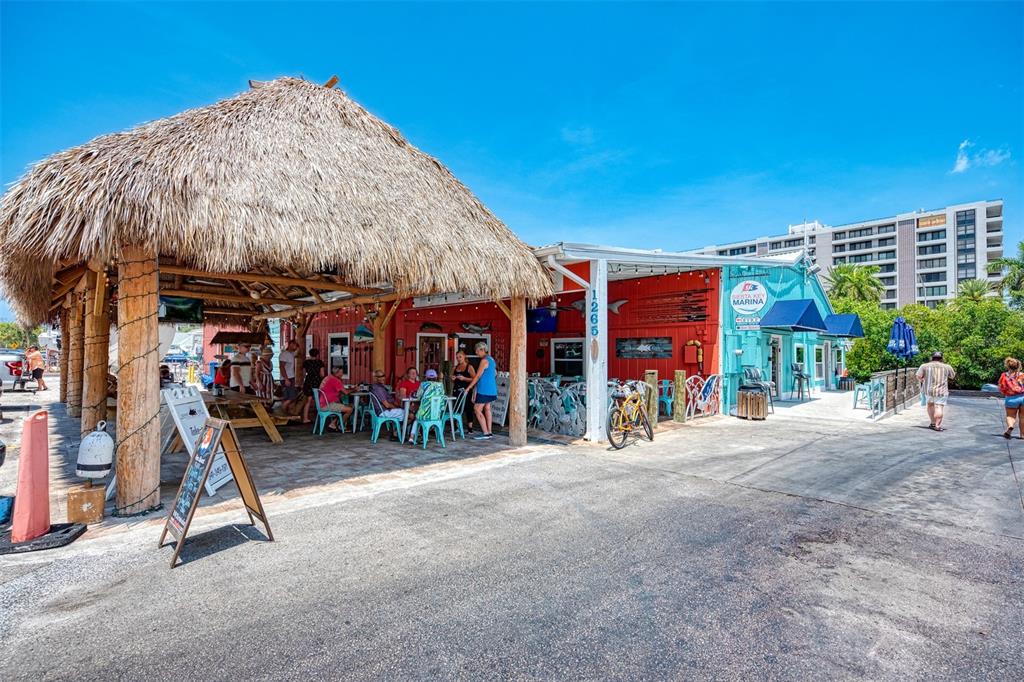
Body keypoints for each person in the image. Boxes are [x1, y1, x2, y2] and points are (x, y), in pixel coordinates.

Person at [464, 341, 497, 440]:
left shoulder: (484, 361)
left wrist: (469, 387)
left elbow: (477, 376)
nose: (476, 353)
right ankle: (489, 431)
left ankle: (486, 433)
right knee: (487, 409)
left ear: (482, 350)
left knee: (477, 409)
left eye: (477, 351)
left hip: (484, 389)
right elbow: (495, 373)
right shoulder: (492, 360)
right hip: (492, 389)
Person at [916, 351, 956, 432]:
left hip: (928, 390)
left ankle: (933, 423)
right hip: (941, 391)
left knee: (930, 405)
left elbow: (918, 376)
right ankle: (937, 426)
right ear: (941, 358)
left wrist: (923, 380)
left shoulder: (924, 366)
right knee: (939, 407)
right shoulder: (947, 367)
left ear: (932, 358)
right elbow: (952, 376)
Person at [409, 369, 447, 443]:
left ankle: (412, 437)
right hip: (437, 415)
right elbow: (442, 398)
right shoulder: (440, 385)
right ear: (436, 377)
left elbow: (418, 396)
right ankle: (426, 437)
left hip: (425, 414)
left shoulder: (423, 384)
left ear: (426, 377)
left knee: (417, 419)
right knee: (421, 418)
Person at [369, 370, 405, 440]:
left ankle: (396, 432)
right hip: (383, 411)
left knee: (403, 413)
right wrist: (396, 407)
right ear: (375, 378)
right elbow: (387, 405)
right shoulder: (378, 389)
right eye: (380, 376)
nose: (383, 378)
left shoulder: (381, 387)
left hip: (385, 410)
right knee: (407, 414)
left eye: (383, 376)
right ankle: (396, 433)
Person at [318, 365, 353, 432]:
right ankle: (341, 426)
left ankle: (333, 424)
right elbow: (346, 392)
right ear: (337, 373)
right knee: (349, 409)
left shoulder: (328, 377)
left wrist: (351, 389)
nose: (342, 374)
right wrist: (355, 389)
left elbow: (341, 390)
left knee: (345, 405)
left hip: (322, 403)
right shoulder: (335, 380)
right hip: (327, 405)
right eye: (341, 372)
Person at [998, 357, 1024, 439]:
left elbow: (1001, 387)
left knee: (1010, 416)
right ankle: (1022, 435)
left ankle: (1010, 426)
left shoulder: (1004, 376)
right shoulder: (1022, 375)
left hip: (1011, 398)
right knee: (1023, 417)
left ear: (1008, 366)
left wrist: (1005, 392)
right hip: (1023, 397)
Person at [451, 350, 477, 433]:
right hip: (456, 390)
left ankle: (470, 428)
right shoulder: (455, 367)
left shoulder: (469, 367)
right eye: (457, 357)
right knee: (456, 408)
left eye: (460, 357)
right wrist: (453, 378)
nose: (458, 359)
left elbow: (475, 379)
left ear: (464, 356)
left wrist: (464, 378)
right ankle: (457, 426)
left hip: (466, 390)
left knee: (468, 408)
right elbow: (452, 378)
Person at [301, 348, 326, 424]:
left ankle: (305, 418)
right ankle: (321, 416)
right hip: (317, 382)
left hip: (308, 381)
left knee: (308, 400)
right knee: (319, 400)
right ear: (317, 354)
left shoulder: (306, 362)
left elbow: (304, 373)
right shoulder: (319, 362)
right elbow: (322, 374)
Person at [279, 339, 299, 412]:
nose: (296, 347)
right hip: (287, 378)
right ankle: (282, 411)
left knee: (289, 397)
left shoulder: (291, 354)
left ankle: (286, 412)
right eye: (295, 345)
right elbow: (281, 367)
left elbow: (298, 353)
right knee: (290, 397)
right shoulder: (284, 354)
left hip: (291, 377)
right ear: (291, 344)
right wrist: (286, 379)